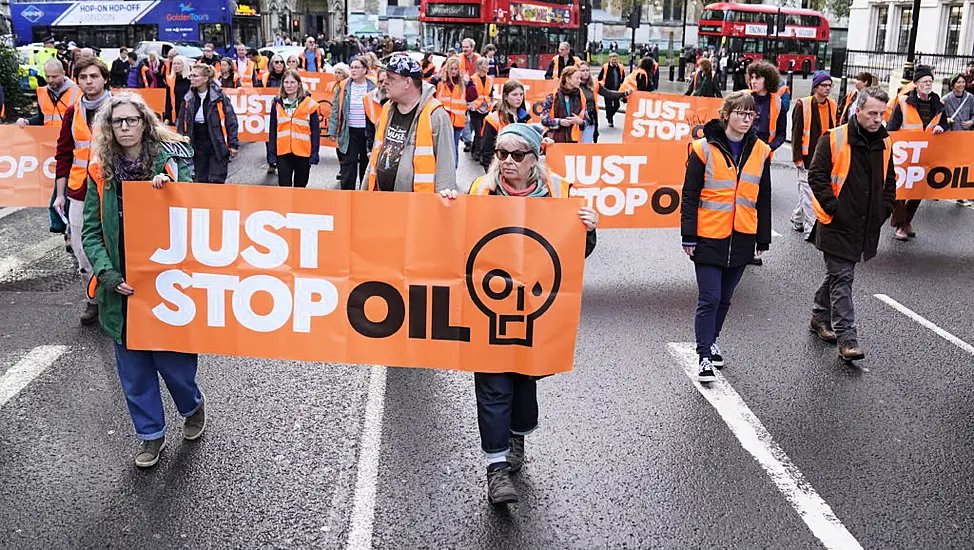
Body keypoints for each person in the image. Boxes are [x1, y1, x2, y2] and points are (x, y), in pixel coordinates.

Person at [438, 123, 597, 505]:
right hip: (487, 306)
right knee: (493, 384)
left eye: (517, 155)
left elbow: (575, 254)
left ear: (534, 159)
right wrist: (445, 207)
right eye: (501, 154)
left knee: (523, 383)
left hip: (534, 312)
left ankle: (516, 435)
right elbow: (454, 238)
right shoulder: (481, 190)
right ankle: (496, 469)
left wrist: (588, 231)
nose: (507, 162)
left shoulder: (559, 191)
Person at [81, 92, 204, 468]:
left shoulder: (172, 162)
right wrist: (106, 272)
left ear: (144, 122)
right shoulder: (100, 171)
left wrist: (170, 192)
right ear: (108, 128)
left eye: (131, 120)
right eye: (117, 122)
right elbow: (90, 231)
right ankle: (150, 435)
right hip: (120, 289)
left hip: (165, 286)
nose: (124, 127)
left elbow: (199, 213)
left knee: (174, 367)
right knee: (134, 374)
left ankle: (192, 405)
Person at [680, 91, 772, 382]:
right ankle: (704, 355)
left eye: (750, 114)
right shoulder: (702, 148)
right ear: (727, 114)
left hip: (743, 234)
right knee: (710, 297)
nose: (746, 119)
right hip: (709, 234)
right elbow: (690, 194)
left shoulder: (761, 151)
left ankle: (712, 339)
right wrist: (688, 235)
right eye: (741, 113)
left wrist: (763, 236)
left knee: (726, 299)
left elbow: (763, 196)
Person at [807, 87, 896, 361]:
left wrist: (885, 209)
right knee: (844, 277)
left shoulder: (885, 142)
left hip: (865, 225)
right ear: (858, 111)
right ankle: (848, 339)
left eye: (881, 114)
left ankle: (819, 316)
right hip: (836, 224)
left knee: (837, 276)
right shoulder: (833, 139)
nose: (877, 119)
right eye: (872, 113)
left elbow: (889, 182)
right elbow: (817, 176)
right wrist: (835, 208)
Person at [53, 57, 112, 326]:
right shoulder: (72, 112)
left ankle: (116, 299)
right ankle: (93, 300)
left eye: (94, 76)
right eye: (83, 77)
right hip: (79, 190)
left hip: (112, 188)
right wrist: (59, 194)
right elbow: (64, 154)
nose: (88, 82)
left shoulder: (120, 108)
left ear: (104, 79)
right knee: (81, 249)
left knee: (114, 244)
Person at [363, 54, 456, 192]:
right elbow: (376, 155)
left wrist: (441, 207)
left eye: (391, 78)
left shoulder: (436, 115)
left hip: (417, 205)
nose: (384, 82)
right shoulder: (388, 109)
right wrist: (364, 191)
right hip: (381, 200)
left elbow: (446, 167)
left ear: (407, 82)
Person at [886, 65, 946, 241]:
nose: (928, 84)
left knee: (919, 191)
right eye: (924, 81)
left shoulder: (939, 104)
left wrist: (942, 127)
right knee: (899, 191)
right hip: (904, 154)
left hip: (926, 155)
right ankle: (900, 224)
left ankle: (906, 222)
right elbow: (892, 128)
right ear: (916, 84)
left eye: (930, 81)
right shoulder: (904, 103)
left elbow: (944, 124)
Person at [790, 71, 837, 241]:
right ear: (815, 87)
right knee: (809, 192)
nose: (827, 88)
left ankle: (797, 217)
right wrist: (797, 158)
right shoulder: (803, 105)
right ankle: (811, 229)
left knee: (809, 191)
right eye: (823, 85)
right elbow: (796, 133)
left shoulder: (832, 104)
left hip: (825, 156)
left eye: (829, 85)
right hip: (807, 156)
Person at [176, 63, 240, 184]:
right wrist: (180, 141)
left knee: (216, 179)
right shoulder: (189, 97)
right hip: (197, 142)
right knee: (201, 179)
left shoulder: (219, 96)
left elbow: (231, 121)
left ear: (205, 79)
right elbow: (181, 120)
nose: (191, 79)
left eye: (195, 76)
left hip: (216, 142)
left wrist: (233, 144)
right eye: (190, 75)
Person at [329, 58, 377, 190]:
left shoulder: (374, 86)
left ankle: (364, 194)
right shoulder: (344, 86)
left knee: (366, 164)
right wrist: (332, 131)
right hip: (349, 131)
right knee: (349, 164)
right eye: (352, 67)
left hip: (368, 132)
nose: (353, 70)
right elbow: (335, 108)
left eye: (357, 67)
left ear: (365, 70)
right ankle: (347, 194)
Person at [267, 70, 320, 188]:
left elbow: (315, 132)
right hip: (283, 152)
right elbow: (272, 131)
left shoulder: (310, 104)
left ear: (299, 84)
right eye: (286, 82)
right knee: (284, 187)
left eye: (292, 82)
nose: (289, 85)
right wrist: (271, 153)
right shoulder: (277, 104)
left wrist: (314, 153)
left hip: (303, 152)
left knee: (300, 187)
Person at [430, 57, 477, 167]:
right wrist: (435, 79)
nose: (454, 71)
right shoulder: (441, 83)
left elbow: (473, 96)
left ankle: (452, 171)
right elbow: (429, 93)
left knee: (453, 147)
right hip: (442, 121)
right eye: (451, 69)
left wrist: (469, 82)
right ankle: (441, 170)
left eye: (456, 69)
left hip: (457, 122)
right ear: (447, 69)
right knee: (440, 147)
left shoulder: (463, 83)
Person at [479, 79, 531, 171]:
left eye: (521, 94)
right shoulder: (493, 119)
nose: (519, 98)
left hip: (520, 169)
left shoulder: (526, 118)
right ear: (505, 97)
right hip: (500, 168)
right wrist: (491, 172)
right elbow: (487, 150)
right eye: (514, 94)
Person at [17, 60, 80, 128]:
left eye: (54, 77)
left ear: (63, 74)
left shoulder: (77, 91)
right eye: (47, 76)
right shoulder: (42, 92)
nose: (50, 80)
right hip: (48, 136)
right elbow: (41, 119)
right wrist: (27, 121)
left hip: (68, 137)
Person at [577, 61, 627, 143]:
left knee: (593, 136)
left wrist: (624, 93)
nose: (585, 73)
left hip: (592, 114)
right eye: (582, 71)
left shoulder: (594, 83)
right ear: (577, 72)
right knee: (580, 138)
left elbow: (608, 93)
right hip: (579, 115)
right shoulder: (574, 84)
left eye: (587, 70)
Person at [944, 74, 974, 207]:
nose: (961, 85)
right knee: (949, 164)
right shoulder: (945, 99)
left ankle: (960, 194)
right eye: (958, 82)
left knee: (963, 166)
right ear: (953, 85)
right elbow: (938, 117)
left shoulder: (970, 98)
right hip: (951, 136)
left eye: (963, 82)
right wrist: (947, 121)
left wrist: (971, 121)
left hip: (965, 136)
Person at [541, 65, 586, 144]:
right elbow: (544, 119)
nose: (580, 81)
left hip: (574, 141)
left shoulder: (580, 96)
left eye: (580, 78)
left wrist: (580, 121)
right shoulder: (553, 96)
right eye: (577, 78)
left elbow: (587, 120)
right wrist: (559, 122)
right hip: (554, 141)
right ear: (568, 79)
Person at [469, 58, 494, 158]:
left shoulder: (490, 79)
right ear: (480, 66)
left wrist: (491, 104)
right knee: (478, 132)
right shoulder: (473, 79)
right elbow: (469, 94)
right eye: (486, 65)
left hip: (486, 108)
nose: (488, 67)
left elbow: (491, 93)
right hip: (475, 109)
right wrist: (471, 106)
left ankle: (475, 149)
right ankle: (477, 153)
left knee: (482, 132)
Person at [598, 52, 626, 127]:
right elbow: (600, 77)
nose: (614, 61)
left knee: (617, 105)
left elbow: (622, 78)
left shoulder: (620, 67)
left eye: (615, 59)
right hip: (607, 90)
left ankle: (609, 115)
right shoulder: (605, 67)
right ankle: (610, 120)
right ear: (609, 59)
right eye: (613, 59)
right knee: (608, 106)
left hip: (617, 90)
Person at [163, 56, 192, 126]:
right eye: (174, 64)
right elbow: (168, 101)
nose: (176, 66)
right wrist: (167, 117)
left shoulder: (191, 80)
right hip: (176, 115)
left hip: (189, 115)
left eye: (179, 64)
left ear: (184, 65)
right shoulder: (170, 80)